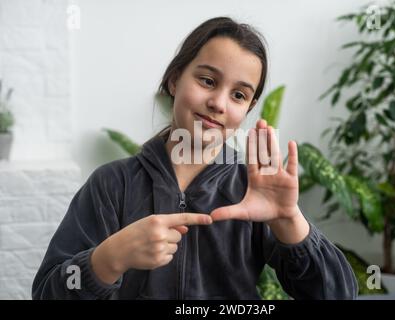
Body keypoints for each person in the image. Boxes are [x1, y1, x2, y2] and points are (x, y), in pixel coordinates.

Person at [32, 17, 358, 300]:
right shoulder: (111, 184)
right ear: (174, 80)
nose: (218, 102)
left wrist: (288, 219)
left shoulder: (254, 190)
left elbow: (338, 293)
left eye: (239, 95)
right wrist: (108, 259)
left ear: (247, 109)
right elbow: (48, 292)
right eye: (207, 81)